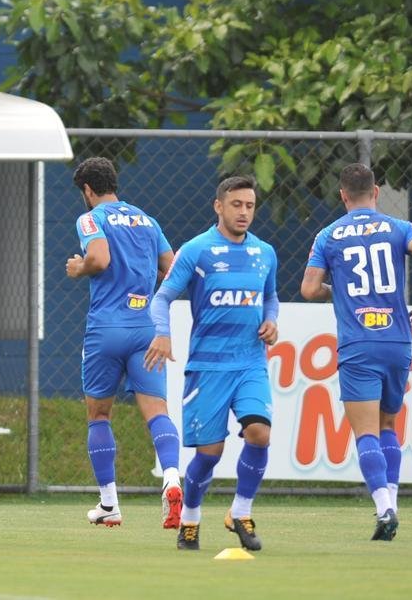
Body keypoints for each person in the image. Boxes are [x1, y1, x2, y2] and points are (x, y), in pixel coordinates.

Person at [300, 163, 412, 541]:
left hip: (358, 343)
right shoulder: (398, 228)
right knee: (389, 425)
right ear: (375, 192)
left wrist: (339, 292)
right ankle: (392, 501)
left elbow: (309, 289)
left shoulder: (329, 235)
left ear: (342, 195)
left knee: (364, 432)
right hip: (396, 341)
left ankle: (383, 507)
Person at [146, 175, 278, 552]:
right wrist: (163, 333)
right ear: (218, 206)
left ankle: (241, 511)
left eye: (250, 206)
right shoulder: (197, 250)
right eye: (236, 205)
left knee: (259, 433)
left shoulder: (264, 252)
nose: (244, 212)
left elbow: (270, 299)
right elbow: (162, 298)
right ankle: (189, 518)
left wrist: (271, 321)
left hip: (250, 362)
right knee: (209, 454)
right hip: (208, 368)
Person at [64, 157, 182, 529]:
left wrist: (79, 267)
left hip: (106, 328)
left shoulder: (90, 218)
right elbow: (173, 266)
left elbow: (98, 258)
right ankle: (172, 479)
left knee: (99, 414)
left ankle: (110, 504)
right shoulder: (147, 220)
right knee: (158, 412)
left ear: (87, 190)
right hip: (145, 326)